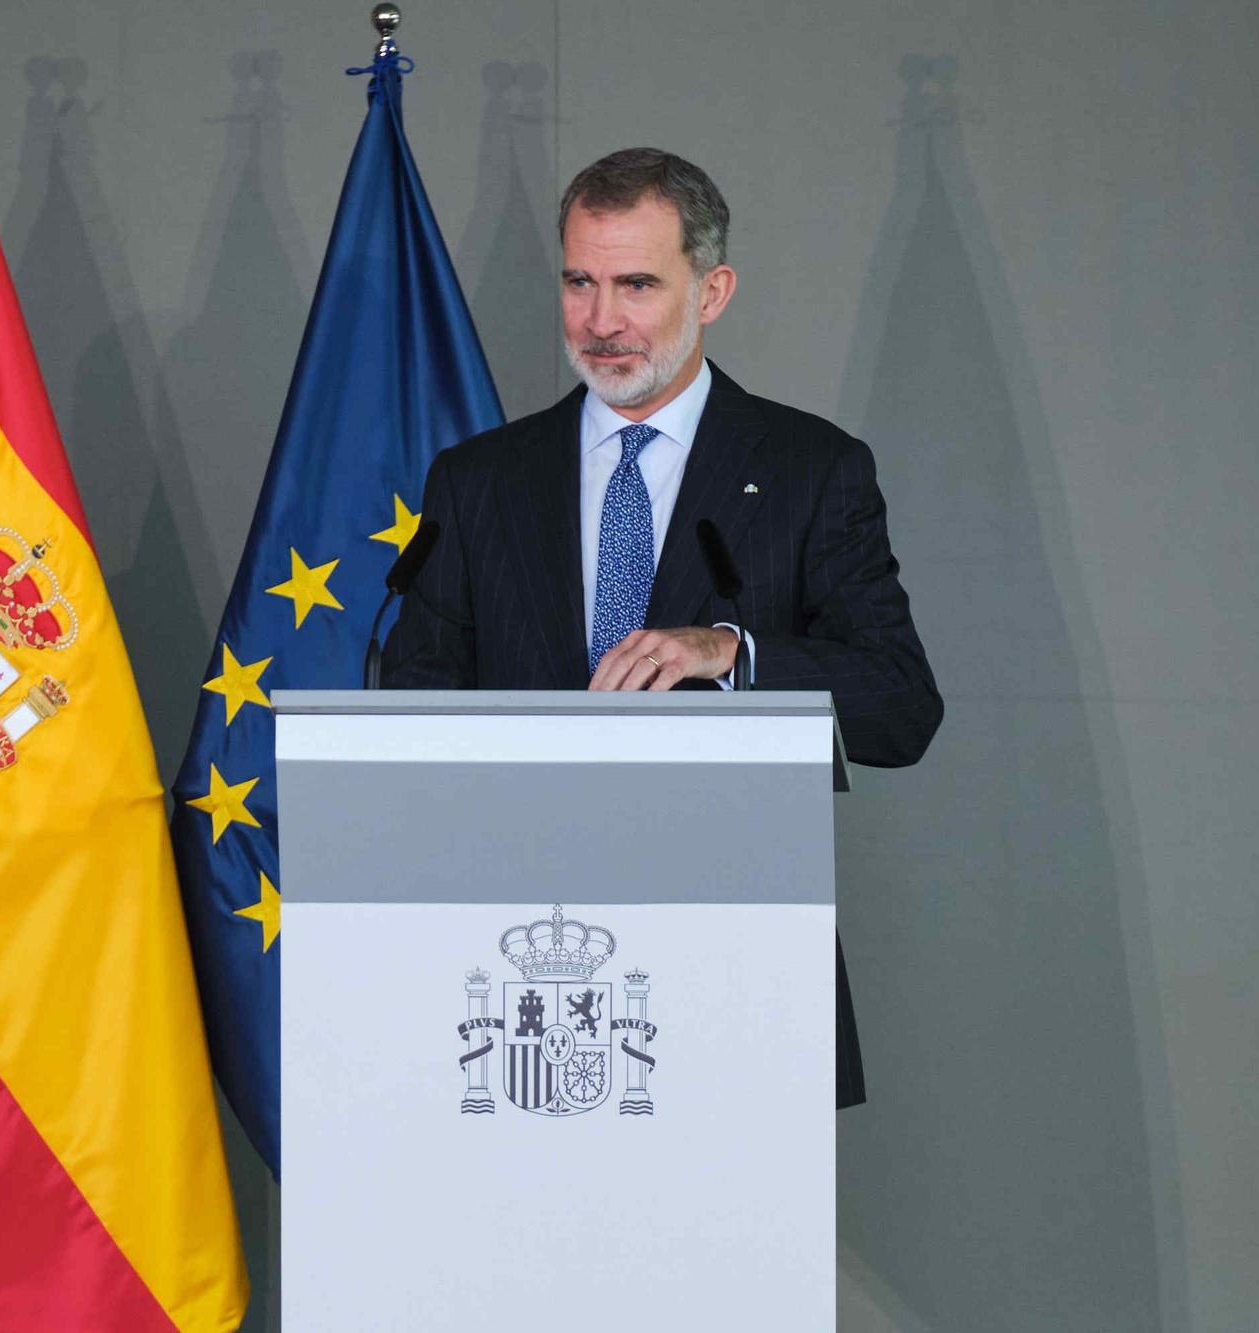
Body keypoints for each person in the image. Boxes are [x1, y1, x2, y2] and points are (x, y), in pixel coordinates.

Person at [382, 147, 944, 1106]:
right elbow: (411, 711)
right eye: (580, 282)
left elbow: (900, 708)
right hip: (512, 979)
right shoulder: (478, 481)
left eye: (637, 284)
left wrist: (734, 654)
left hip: (737, 972)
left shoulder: (813, 470)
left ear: (712, 290)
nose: (601, 322)